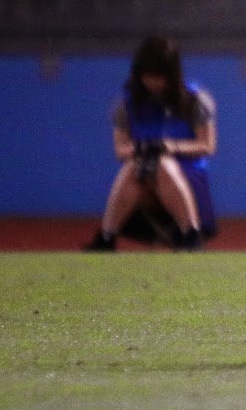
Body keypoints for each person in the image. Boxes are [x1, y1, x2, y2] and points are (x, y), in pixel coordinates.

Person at [84, 34, 217, 252]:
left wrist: (169, 147)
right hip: (144, 177)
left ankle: (191, 233)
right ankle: (107, 236)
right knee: (136, 165)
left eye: (159, 77)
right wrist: (141, 148)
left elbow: (207, 146)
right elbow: (120, 150)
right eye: (148, 77)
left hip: (186, 177)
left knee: (162, 163)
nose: (153, 83)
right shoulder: (127, 103)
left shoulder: (194, 100)